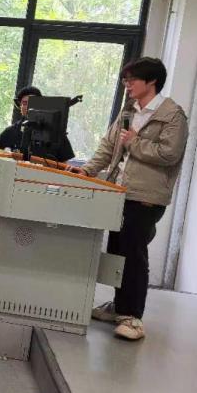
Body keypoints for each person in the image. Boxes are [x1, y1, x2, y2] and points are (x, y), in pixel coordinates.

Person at [73, 57, 188, 342]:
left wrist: (134, 141)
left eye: (132, 80)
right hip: (119, 191)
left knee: (134, 252)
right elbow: (109, 145)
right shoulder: (128, 110)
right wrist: (88, 170)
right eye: (125, 80)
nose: (127, 85)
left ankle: (133, 317)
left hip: (146, 196)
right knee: (117, 250)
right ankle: (119, 307)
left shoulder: (172, 115)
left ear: (152, 81)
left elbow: (169, 154)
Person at [0, 85, 75, 163]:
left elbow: (64, 164)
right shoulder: (9, 132)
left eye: (33, 103)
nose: (28, 107)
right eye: (25, 103)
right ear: (20, 106)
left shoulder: (56, 133)